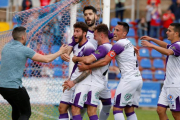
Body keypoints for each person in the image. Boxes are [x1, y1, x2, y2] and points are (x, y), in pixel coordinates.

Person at [77, 22, 143, 120]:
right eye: (114, 30)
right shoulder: (128, 43)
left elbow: (104, 61)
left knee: (117, 109)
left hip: (128, 80)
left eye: (117, 30)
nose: (114, 32)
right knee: (129, 110)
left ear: (124, 33)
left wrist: (87, 67)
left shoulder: (119, 45)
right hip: (138, 79)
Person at [0, 26, 67, 120]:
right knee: (26, 112)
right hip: (14, 87)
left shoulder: (6, 47)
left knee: (16, 107)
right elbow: (46, 59)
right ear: (23, 37)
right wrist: (60, 52)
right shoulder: (24, 50)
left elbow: (18, 52)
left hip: (2, 87)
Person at [60, 5, 113, 120]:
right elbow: (71, 46)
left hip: (97, 73)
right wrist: (66, 53)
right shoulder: (81, 33)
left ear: (96, 15)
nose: (88, 17)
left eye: (90, 14)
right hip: (87, 73)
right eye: (85, 15)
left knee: (107, 104)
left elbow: (117, 38)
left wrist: (129, 46)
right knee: (82, 109)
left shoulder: (101, 31)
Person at [140, 23, 180, 120]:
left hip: (174, 84)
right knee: (160, 110)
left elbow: (167, 52)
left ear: (176, 33)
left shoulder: (178, 45)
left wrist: (151, 46)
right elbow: (166, 46)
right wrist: (152, 39)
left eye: (169, 31)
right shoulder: (173, 45)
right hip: (167, 84)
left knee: (176, 115)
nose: (167, 32)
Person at [59, 22, 96, 120]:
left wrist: (73, 82)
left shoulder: (88, 48)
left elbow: (89, 70)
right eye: (74, 31)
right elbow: (67, 53)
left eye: (77, 31)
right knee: (62, 108)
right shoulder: (75, 45)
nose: (74, 33)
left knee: (76, 110)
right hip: (72, 81)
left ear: (84, 33)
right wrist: (62, 54)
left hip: (83, 83)